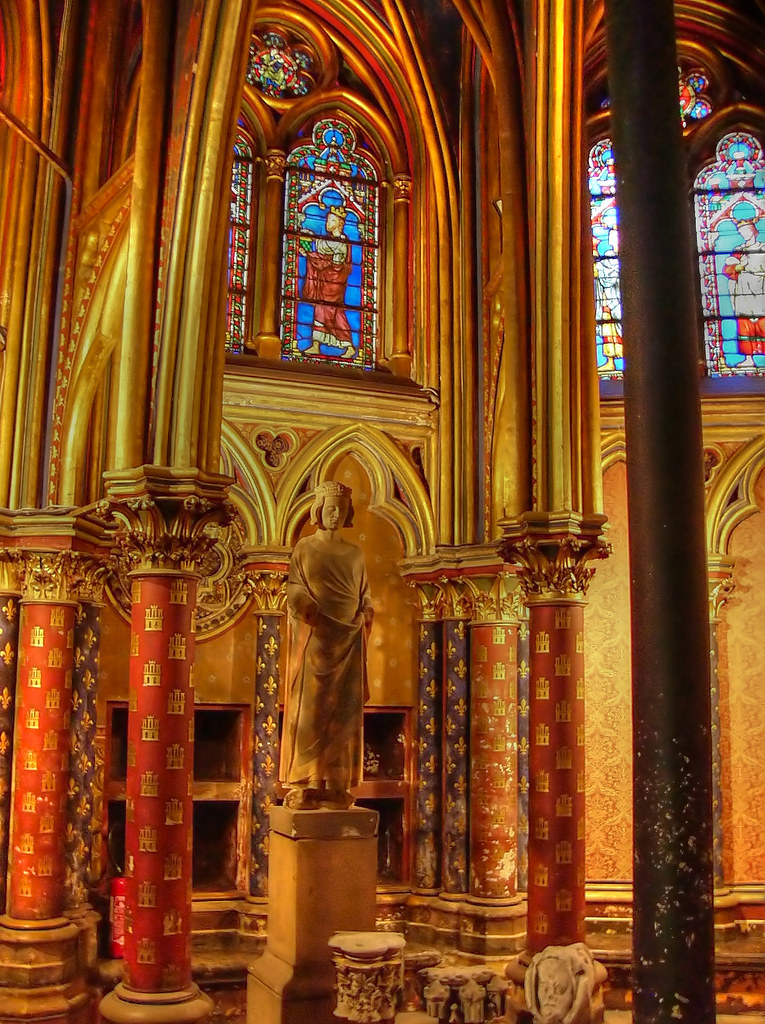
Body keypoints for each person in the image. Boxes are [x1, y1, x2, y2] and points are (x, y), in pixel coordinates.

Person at [280, 481, 374, 809]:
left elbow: (365, 594)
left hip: (349, 641)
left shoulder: (354, 553)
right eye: (329, 508)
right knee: (312, 711)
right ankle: (306, 782)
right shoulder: (305, 549)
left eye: (340, 509)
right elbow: (293, 587)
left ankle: (337, 783)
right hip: (318, 639)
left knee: (345, 713)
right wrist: (305, 603)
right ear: (318, 512)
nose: (335, 514)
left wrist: (366, 611)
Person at [301, 205, 356, 358]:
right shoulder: (328, 241)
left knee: (335, 313)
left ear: (339, 223)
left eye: (331, 220)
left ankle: (349, 346)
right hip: (324, 282)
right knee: (320, 310)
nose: (327, 222)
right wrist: (309, 254)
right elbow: (323, 258)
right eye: (327, 219)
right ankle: (316, 345)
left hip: (334, 285)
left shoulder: (341, 242)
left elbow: (337, 265)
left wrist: (313, 256)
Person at [722, 218, 765, 368]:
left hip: (761, 291)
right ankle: (749, 359)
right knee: (745, 324)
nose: (744, 234)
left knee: (763, 323)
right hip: (743, 292)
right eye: (741, 232)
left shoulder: (762, 248)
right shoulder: (739, 251)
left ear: (754, 231)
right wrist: (740, 267)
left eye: (746, 231)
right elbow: (727, 270)